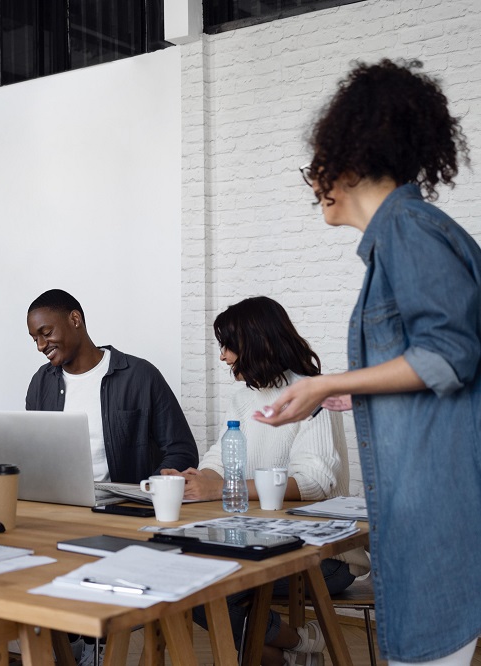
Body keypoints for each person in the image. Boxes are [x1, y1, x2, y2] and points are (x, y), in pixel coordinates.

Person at [257, 59, 481, 665]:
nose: (313, 185)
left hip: (437, 509)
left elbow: (452, 353)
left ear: (347, 160)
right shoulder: (405, 234)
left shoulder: (407, 228)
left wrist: (328, 381)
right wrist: (364, 392)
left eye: (315, 167)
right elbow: (432, 362)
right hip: (429, 504)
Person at [164, 296, 369, 666]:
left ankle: (291, 648)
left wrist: (227, 489)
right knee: (183, 579)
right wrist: (197, 479)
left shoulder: (313, 392)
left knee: (205, 587)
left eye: (229, 346)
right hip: (262, 540)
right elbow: (220, 458)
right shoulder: (244, 398)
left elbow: (316, 481)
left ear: (257, 343)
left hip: (324, 556)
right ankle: (297, 647)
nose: (224, 357)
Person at [25, 288, 198, 482]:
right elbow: (33, 453)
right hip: (59, 505)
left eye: (46, 333)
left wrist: (149, 490)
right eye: (35, 339)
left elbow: (182, 451)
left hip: (122, 507)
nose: (40, 346)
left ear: (75, 319)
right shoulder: (41, 382)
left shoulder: (140, 376)